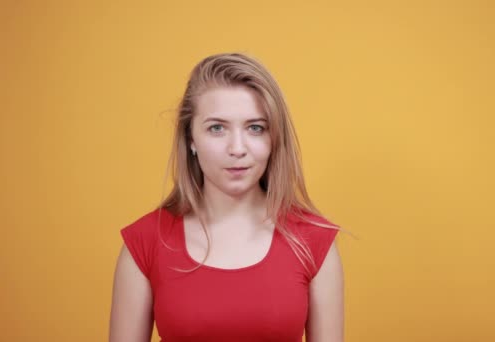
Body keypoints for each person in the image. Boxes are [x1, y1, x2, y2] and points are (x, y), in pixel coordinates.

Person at [109, 53, 344, 342]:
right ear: (191, 138)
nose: (237, 148)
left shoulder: (313, 242)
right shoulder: (144, 243)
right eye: (217, 128)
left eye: (255, 128)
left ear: (274, 139)